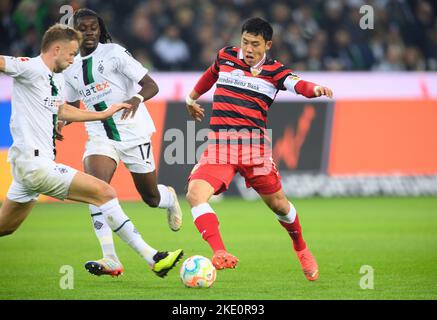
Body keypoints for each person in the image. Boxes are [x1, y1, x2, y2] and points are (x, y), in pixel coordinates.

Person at [0, 23, 183, 279]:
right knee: (104, 192)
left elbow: (61, 110)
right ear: (56, 49)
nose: (74, 59)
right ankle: (152, 257)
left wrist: (101, 113)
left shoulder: (54, 77)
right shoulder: (29, 67)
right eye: (71, 53)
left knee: (5, 227)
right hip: (35, 164)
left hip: (28, 168)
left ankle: (124, 252)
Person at [185, 17, 333, 281]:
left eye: (255, 44)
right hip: (220, 146)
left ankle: (301, 248)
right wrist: (191, 97)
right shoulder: (226, 57)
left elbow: (298, 85)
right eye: (245, 42)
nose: (248, 49)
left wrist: (316, 89)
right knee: (195, 195)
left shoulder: (275, 71)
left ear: (268, 45)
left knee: (280, 206)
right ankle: (219, 252)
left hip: (255, 150)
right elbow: (210, 75)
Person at [62, 9, 183, 277]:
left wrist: (137, 100)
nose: (90, 31)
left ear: (99, 29)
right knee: (96, 189)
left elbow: (151, 85)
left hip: (133, 131)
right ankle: (110, 258)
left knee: (150, 197)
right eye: (83, 28)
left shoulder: (114, 53)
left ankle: (169, 197)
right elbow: (71, 106)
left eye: (94, 27)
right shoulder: (69, 66)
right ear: (75, 33)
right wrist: (60, 122)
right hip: (99, 133)